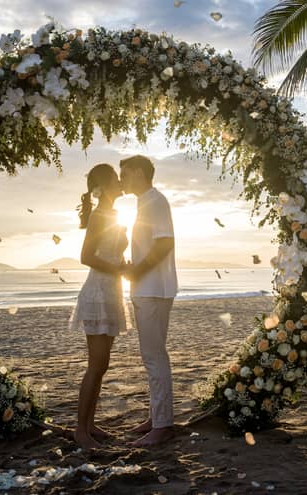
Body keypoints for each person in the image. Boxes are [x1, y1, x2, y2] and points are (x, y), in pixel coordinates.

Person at [68, 163, 131, 450]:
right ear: (105, 186)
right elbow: (85, 256)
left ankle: (90, 424)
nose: (121, 184)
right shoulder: (98, 216)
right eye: (117, 180)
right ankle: (80, 430)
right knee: (96, 365)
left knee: (102, 364)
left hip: (112, 292)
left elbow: (114, 254)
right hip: (97, 292)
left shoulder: (115, 215)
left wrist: (124, 267)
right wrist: (118, 269)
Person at [119, 155, 178, 447]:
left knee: (154, 357)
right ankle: (157, 417)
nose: (122, 179)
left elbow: (165, 242)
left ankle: (163, 425)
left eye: (125, 173)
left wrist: (135, 271)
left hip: (152, 289)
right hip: (149, 288)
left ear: (140, 173)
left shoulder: (156, 201)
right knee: (152, 356)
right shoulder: (145, 202)